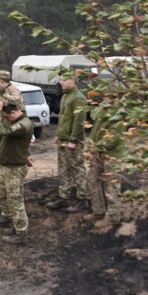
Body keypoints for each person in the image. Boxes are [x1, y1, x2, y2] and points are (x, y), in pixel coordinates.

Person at [0, 94, 34, 246]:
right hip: (8, 166)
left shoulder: (24, 124)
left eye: (7, 117)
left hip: (15, 168)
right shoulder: (17, 121)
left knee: (15, 200)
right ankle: (11, 219)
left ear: (14, 113)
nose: (7, 119)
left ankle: (21, 233)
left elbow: (4, 131)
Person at [47, 75, 88, 213]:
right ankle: (63, 196)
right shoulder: (65, 96)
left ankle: (83, 199)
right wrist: (58, 135)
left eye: (64, 79)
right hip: (63, 139)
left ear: (73, 80)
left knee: (77, 168)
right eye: (60, 79)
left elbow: (79, 121)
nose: (61, 82)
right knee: (63, 168)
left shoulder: (78, 98)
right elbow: (62, 118)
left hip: (72, 141)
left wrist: (74, 140)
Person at [83, 102, 125, 229]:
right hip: (98, 154)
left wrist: (97, 147)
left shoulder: (119, 112)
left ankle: (113, 217)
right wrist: (93, 146)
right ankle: (98, 211)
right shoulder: (102, 109)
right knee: (91, 180)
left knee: (111, 186)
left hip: (112, 155)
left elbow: (114, 137)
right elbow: (96, 130)